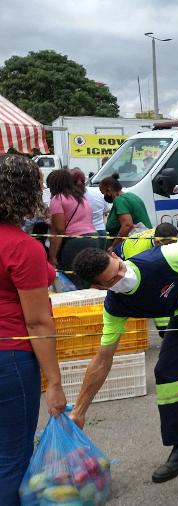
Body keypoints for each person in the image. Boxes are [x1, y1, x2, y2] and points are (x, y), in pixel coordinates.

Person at [69, 235, 178, 483]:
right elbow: (103, 359)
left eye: (119, 267)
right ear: (99, 287)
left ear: (115, 256)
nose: (122, 275)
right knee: (167, 372)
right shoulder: (116, 306)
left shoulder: (161, 259)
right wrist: (79, 410)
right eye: (112, 279)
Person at [0, 154, 66, 505]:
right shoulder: (21, 246)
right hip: (9, 357)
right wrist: (54, 382)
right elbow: (37, 320)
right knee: (11, 455)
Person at [45, 169, 97, 288]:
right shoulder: (81, 198)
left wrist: (52, 256)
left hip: (74, 242)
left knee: (74, 280)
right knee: (89, 278)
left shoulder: (58, 199)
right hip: (93, 238)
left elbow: (59, 230)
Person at [99, 173, 152, 252]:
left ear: (109, 189)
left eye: (104, 193)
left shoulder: (119, 200)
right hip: (145, 239)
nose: (104, 196)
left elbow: (127, 225)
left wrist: (114, 246)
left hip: (134, 244)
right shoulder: (131, 196)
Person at [71, 168, 110, 248]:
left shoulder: (69, 197)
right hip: (101, 231)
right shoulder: (98, 193)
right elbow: (106, 210)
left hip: (82, 234)